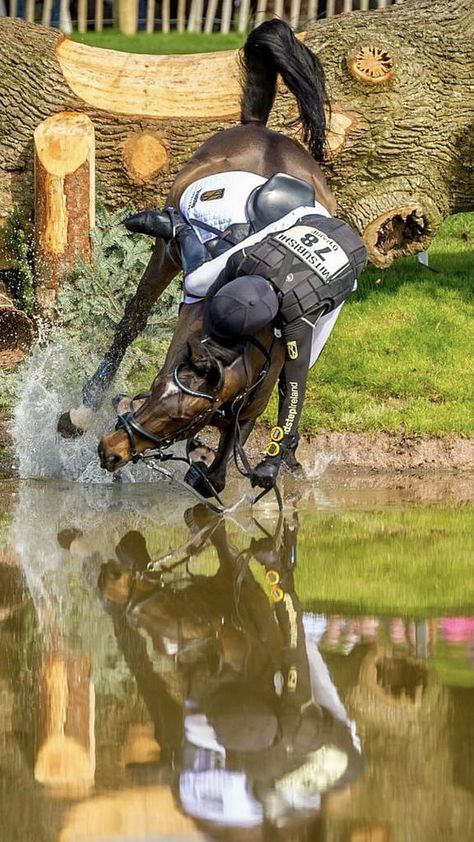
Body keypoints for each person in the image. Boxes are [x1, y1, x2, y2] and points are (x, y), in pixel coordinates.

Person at [125, 171, 367, 490]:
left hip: (344, 264)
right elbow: (204, 291)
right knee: (197, 282)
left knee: (301, 364)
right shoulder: (244, 260)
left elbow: (293, 395)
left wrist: (273, 457)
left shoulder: (298, 320)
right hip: (297, 220)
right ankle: (179, 228)